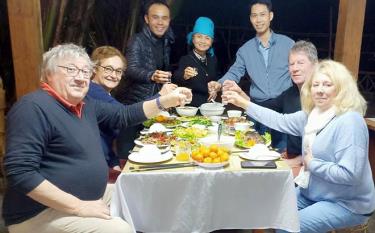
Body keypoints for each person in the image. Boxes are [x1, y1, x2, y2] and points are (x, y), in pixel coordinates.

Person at [2, 43, 192, 233]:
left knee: (144, 194)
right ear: (49, 74)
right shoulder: (33, 107)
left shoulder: (86, 104)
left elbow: (123, 115)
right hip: (42, 211)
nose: (80, 77)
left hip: (89, 195)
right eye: (71, 69)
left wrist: (166, 100)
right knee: (119, 230)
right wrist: (78, 206)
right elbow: (21, 172)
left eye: (85, 71)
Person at [222, 60, 375, 232]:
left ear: (341, 88)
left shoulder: (349, 121)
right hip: (312, 192)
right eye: (315, 84)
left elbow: (350, 175)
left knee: (287, 228)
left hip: (346, 203)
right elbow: (279, 120)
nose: (320, 90)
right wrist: (243, 103)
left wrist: (312, 164)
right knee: (267, 213)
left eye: (327, 84)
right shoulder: (312, 116)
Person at [208, 0, 294, 151]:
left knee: (283, 154)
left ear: (271, 16)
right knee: (254, 152)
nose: (258, 20)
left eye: (262, 15)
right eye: (254, 15)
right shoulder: (245, 50)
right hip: (257, 108)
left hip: (284, 108)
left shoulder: (288, 44)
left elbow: (300, 70)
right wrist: (219, 83)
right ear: (250, 19)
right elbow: (235, 72)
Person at [88, 46, 177, 170]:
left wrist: (114, 163)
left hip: (106, 158)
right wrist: (161, 96)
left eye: (119, 71)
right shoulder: (92, 90)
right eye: (108, 69)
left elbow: (105, 138)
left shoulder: (103, 92)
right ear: (94, 69)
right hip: (94, 165)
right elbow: (127, 115)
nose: (114, 75)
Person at [113, 0, 174, 156]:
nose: (160, 22)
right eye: (155, 17)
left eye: (164, 18)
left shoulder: (166, 41)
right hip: (133, 103)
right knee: (128, 153)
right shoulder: (137, 40)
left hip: (152, 103)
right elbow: (130, 69)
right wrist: (151, 75)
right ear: (147, 19)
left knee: (151, 149)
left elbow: (163, 69)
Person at [173, 17, 219, 107]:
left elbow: (214, 80)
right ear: (193, 38)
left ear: (211, 41)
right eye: (199, 36)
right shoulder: (185, 59)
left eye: (207, 38)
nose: (203, 41)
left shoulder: (213, 59)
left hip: (208, 108)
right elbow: (176, 77)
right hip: (189, 108)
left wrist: (215, 91)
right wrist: (185, 75)